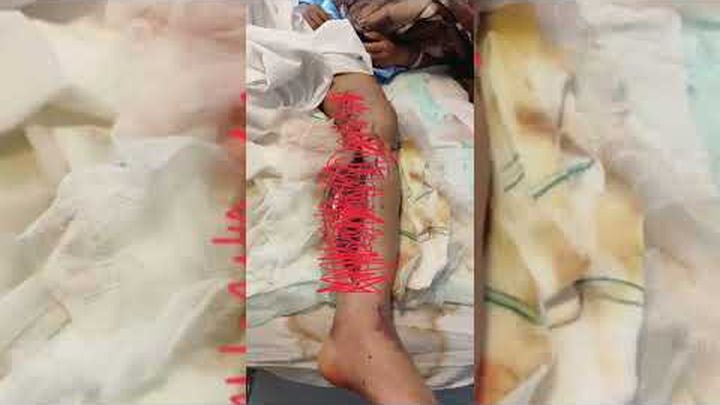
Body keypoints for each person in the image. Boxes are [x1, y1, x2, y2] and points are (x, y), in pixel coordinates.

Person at [295, 1, 477, 404]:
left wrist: (404, 54)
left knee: (369, 128)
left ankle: (360, 327)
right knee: (369, 126)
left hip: (347, 53)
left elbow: (458, 41)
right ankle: (360, 330)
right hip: (287, 38)